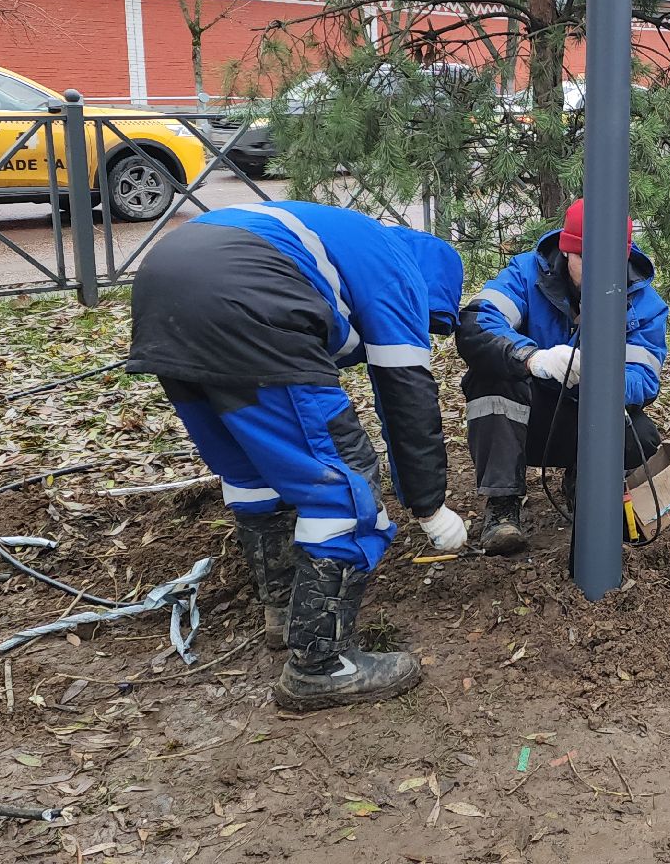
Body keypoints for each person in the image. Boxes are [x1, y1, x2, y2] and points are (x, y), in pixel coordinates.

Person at [126, 202, 467, 711]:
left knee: (254, 470)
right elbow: (406, 396)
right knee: (342, 485)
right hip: (250, 299)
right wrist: (428, 505)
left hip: (164, 286)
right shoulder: (399, 270)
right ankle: (321, 664)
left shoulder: (351, 241)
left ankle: (285, 612)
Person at [455, 199, 669, 555]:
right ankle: (503, 506)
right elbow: (477, 325)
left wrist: (601, 378)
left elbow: (644, 380)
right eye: (587, 260)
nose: (601, 274)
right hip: (527, 413)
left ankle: (583, 482)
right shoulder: (524, 274)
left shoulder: (644, 302)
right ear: (567, 252)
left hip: (585, 414)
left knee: (641, 437)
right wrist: (533, 358)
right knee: (490, 378)